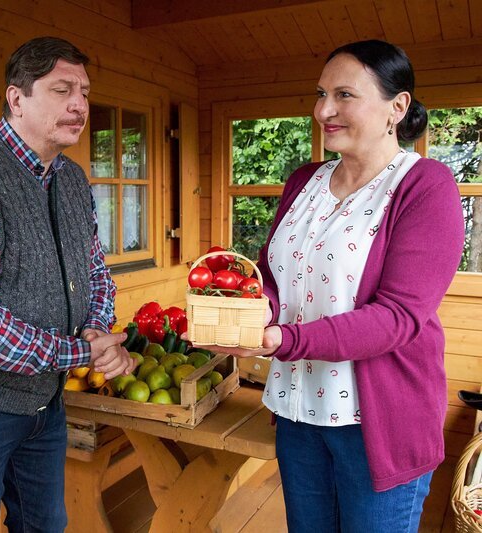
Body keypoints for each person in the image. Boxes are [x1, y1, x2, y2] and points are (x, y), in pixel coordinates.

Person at [197, 40, 464, 532]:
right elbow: (273, 277)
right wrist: (254, 314)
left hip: (378, 424)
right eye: (321, 94)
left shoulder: (425, 186)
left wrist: (282, 339)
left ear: (397, 106)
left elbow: (400, 317)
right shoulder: (304, 181)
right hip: (298, 411)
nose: (324, 110)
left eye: (344, 94)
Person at [0, 36, 134, 532]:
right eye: (62, 90)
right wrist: (83, 354)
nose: (79, 104)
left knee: (44, 527)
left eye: (84, 91)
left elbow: (96, 273)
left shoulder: (73, 179)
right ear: (17, 98)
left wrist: (97, 333)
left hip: (44, 402)